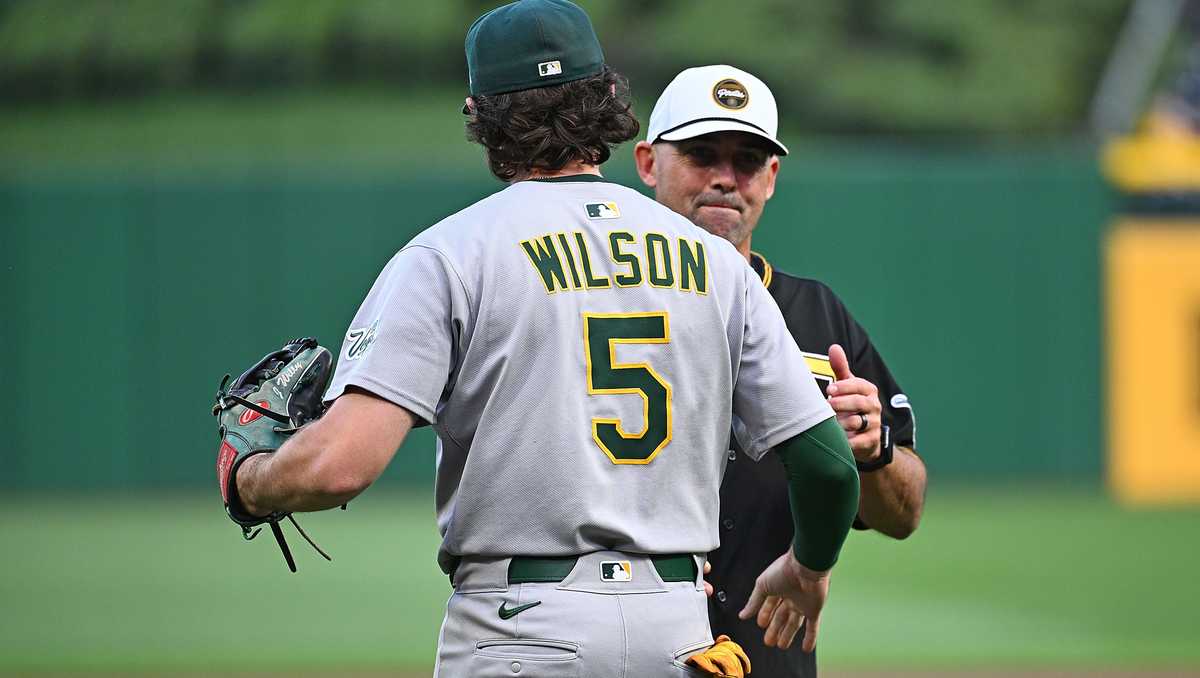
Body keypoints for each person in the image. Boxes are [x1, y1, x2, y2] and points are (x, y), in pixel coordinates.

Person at [230, 4, 862, 675]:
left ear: (480, 113)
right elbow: (827, 466)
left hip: (522, 629)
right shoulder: (717, 262)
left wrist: (251, 482)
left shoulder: (452, 254)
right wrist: (806, 568)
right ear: (606, 101)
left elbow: (339, 466)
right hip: (678, 630)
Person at [635, 65, 928, 677]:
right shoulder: (599, 303)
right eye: (700, 154)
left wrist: (873, 453)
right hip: (631, 649)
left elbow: (903, 512)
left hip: (772, 656)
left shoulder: (817, 314)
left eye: (747, 159)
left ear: (771, 177)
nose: (724, 178)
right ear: (646, 164)